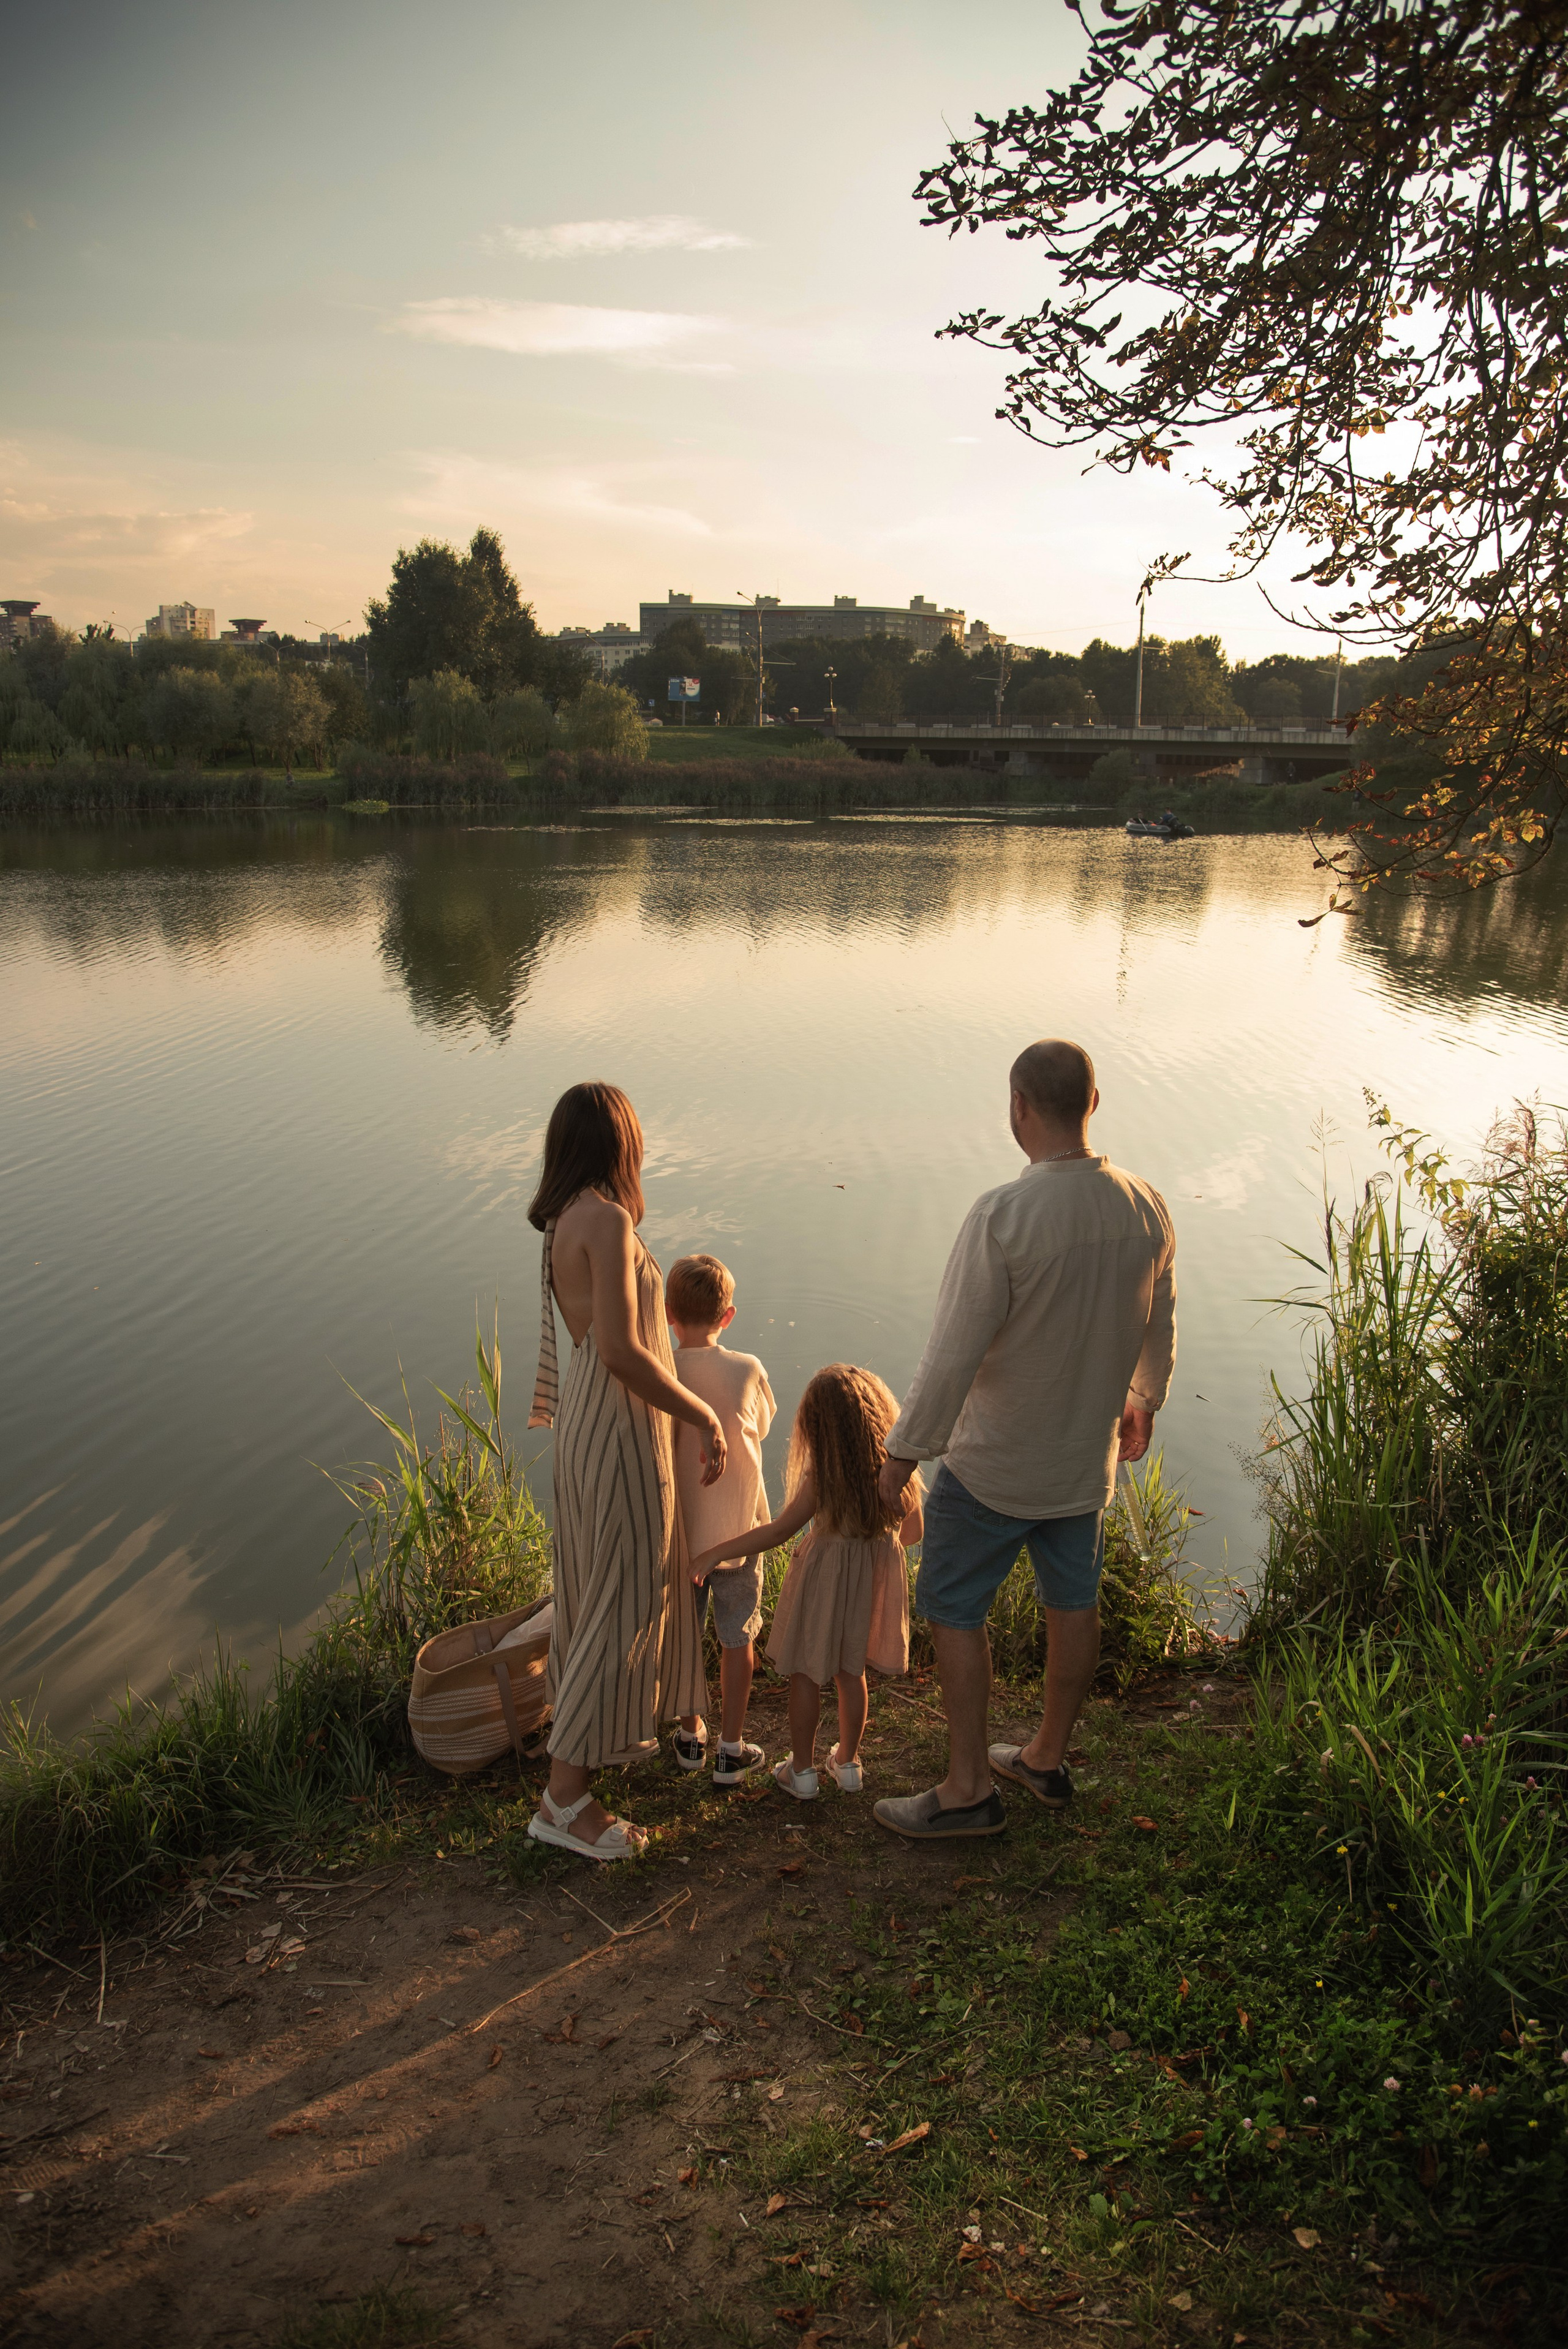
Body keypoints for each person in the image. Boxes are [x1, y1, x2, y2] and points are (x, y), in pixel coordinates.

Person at [870, 1039, 1175, 1843]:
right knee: (1070, 1601)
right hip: (1083, 1461)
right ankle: (1045, 1755)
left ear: (1019, 1106)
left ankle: (969, 1787)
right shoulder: (1146, 1205)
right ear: (1094, 1101)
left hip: (995, 1465)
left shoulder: (1002, 1215)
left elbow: (951, 1354)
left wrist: (901, 1455)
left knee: (952, 1604)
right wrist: (1144, 1398)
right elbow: (1162, 1314)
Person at [526, 1082, 725, 1860]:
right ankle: (563, 1799)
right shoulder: (605, 1222)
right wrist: (700, 1413)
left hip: (583, 1419)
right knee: (623, 1598)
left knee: (593, 1590)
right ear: (621, 1143)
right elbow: (620, 1349)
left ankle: (577, 1765)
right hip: (616, 1428)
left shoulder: (559, 1221)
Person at [692, 1364, 924, 1801]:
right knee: (850, 1673)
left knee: (805, 1675)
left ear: (818, 1429)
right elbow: (913, 1533)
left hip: (821, 1588)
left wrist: (717, 1551)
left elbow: (779, 1531)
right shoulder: (894, 1476)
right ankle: (849, 1762)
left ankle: (801, 1771)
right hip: (862, 1593)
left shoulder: (824, 1478)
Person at [665, 1251, 775, 1787]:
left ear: (668, 1313)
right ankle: (731, 1749)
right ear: (728, 1315)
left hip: (680, 1540)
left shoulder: (660, 1373)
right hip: (739, 1533)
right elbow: (764, 1426)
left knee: (685, 1635)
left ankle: (690, 1736)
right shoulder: (749, 1368)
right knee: (737, 1638)